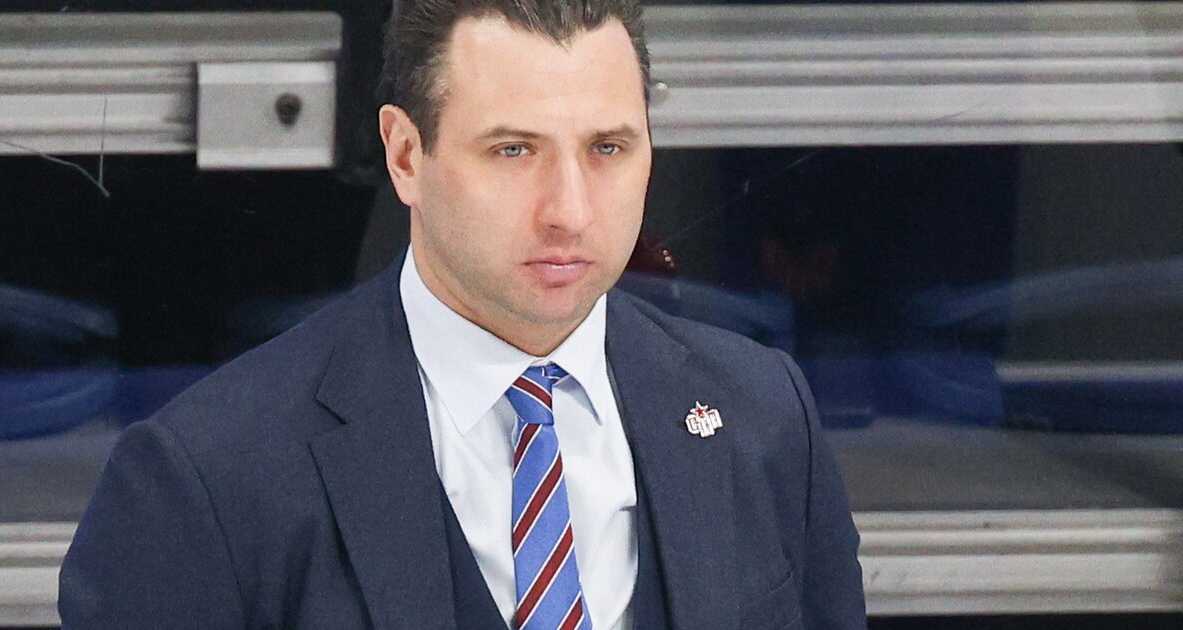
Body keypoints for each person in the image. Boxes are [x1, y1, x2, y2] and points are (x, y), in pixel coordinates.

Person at [58, 1, 867, 628]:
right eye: (513, 151)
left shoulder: (765, 416)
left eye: (607, 149)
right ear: (405, 154)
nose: (570, 211)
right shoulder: (204, 480)